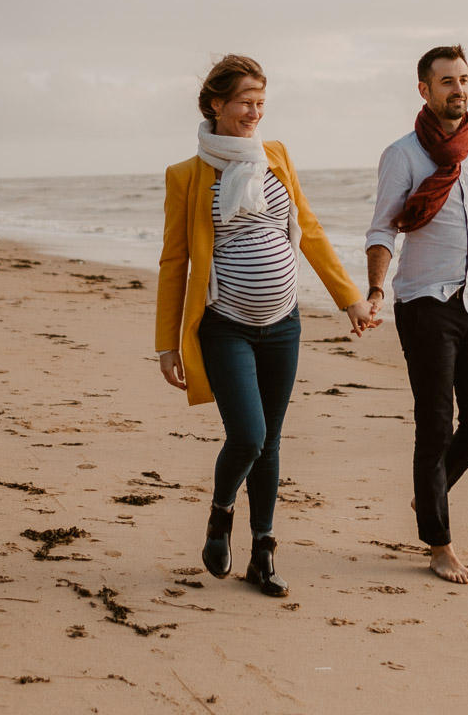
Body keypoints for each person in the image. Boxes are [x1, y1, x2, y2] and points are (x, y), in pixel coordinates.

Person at [156, 54, 380, 598]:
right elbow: (174, 263)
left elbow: (306, 226)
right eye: (244, 103)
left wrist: (349, 297)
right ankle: (220, 512)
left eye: (261, 102)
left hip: (283, 323)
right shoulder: (187, 175)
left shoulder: (275, 156)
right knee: (249, 435)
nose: (255, 112)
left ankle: (262, 551)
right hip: (225, 325)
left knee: (272, 440)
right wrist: (166, 344)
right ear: (216, 105)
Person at [365, 45, 468, 584]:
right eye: (446, 81)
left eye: (463, 80)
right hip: (424, 304)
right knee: (436, 425)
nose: (457, 89)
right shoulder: (403, 155)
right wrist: (375, 289)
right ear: (425, 90)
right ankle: (440, 544)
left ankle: (430, 495)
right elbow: (383, 228)